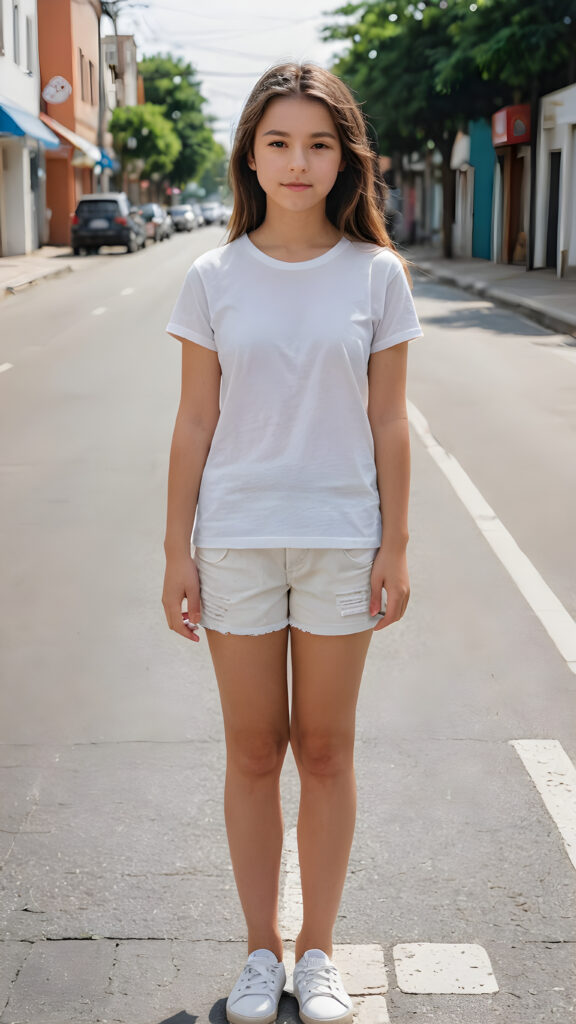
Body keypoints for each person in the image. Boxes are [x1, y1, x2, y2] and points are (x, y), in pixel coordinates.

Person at [162, 61, 423, 1024]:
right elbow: (194, 421)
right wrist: (174, 549)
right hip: (233, 541)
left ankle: (318, 952)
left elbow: (389, 421)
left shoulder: (377, 274)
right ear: (252, 156)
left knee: (323, 750)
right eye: (279, 142)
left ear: (343, 157)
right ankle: (260, 954)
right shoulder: (212, 276)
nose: (298, 161)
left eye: (319, 142)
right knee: (251, 752)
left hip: (339, 541)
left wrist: (397, 545)